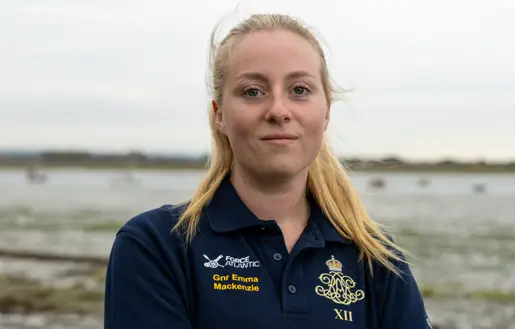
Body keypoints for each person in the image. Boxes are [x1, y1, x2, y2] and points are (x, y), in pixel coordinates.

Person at [103, 13, 433, 329]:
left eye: (300, 90)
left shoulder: (375, 256)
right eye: (253, 92)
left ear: (326, 112)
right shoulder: (155, 247)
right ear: (219, 114)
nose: (278, 110)